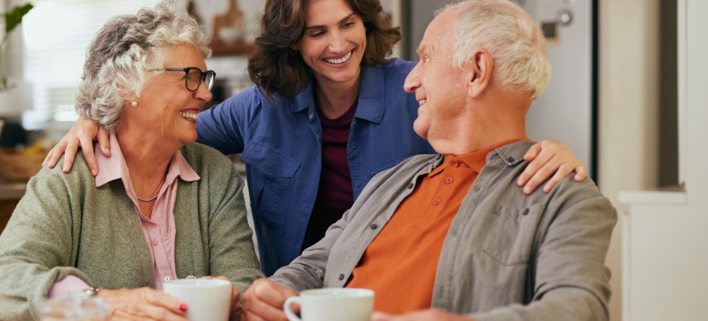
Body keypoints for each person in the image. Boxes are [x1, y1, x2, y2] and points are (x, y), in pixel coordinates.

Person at [43, 0, 589, 276]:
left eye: (348, 23)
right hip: (298, 294)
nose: (337, 43)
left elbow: (491, 133)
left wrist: (548, 150)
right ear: (293, 43)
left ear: (367, 25)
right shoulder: (263, 105)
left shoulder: (415, 88)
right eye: (317, 31)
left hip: (395, 293)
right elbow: (164, 131)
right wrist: (99, 120)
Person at [240, 0, 616, 320]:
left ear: (476, 72)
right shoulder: (392, 180)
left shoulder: (561, 197)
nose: (409, 80)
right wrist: (275, 290)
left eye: (425, 58)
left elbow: (579, 308)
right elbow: (313, 266)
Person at [0, 3, 262, 320]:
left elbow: (245, 283)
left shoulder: (215, 174)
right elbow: (2, 278)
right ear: (125, 84)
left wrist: (225, 294)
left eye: (203, 78)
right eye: (190, 77)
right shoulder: (71, 176)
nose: (206, 95)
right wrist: (99, 302)